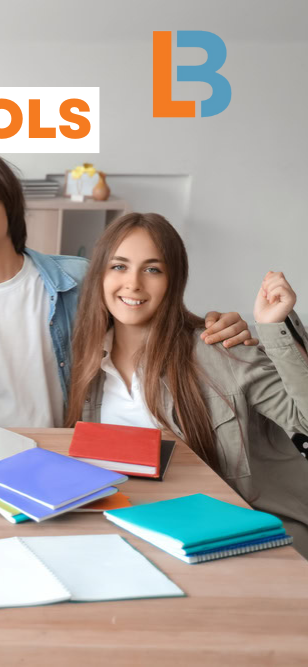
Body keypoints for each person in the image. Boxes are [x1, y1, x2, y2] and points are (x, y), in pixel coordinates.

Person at [0, 153, 254, 427]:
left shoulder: (81, 281)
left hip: (78, 458)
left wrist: (212, 328)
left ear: (6, 199)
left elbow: (157, 330)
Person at [64, 212, 308, 557]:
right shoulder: (82, 363)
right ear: (99, 275)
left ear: (173, 280)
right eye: (119, 266)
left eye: (152, 269)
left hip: (223, 536)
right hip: (126, 527)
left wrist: (274, 327)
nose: (133, 283)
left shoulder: (219, 351)